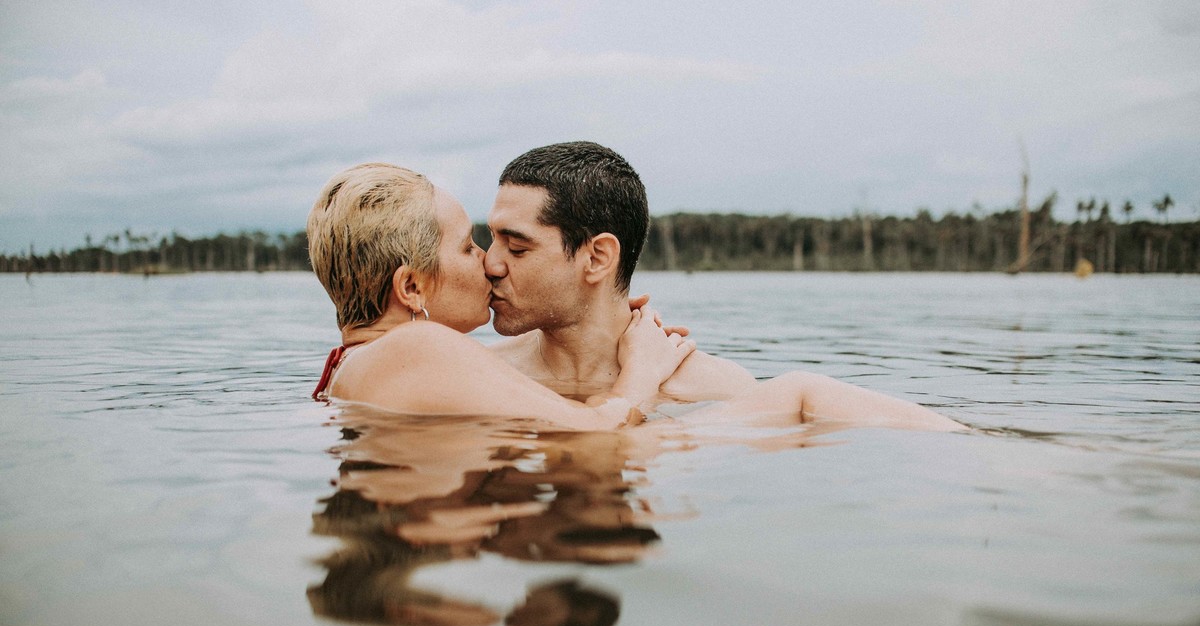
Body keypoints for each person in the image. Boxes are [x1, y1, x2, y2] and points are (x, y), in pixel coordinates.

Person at [484, 142, 965, 431]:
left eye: (517, 248)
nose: (491, 263)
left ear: (597, 257)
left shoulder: (711, 388)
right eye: (491, 241)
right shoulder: (480, 370)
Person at [307, 163, 695, 431]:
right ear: (411, 288)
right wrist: (643, 366)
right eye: (467, 247)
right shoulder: (417, 347)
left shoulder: (357, 366)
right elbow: (598, 431)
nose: (488, 262)